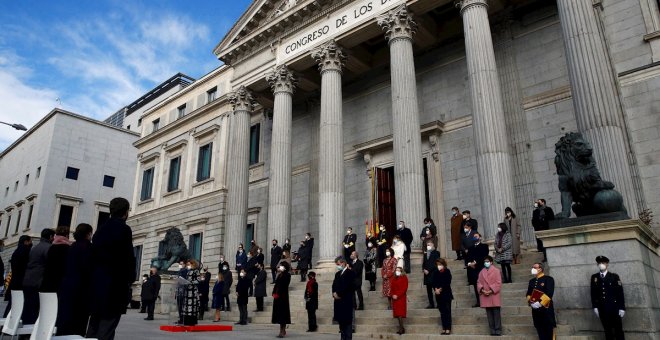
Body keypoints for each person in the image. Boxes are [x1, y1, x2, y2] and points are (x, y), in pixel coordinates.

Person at [87, 197, 136, 340]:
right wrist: (130, 278)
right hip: (114, 285)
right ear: (125, 212)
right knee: (107, 327)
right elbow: (128, 257)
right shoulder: (124, 229)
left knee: (94, 325)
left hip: (97, 284)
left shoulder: (100, 230)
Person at [56, 224, 93, 336]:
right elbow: (89, 269)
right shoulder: (89, 248)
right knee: (79, 324)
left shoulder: (71, 247)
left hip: (67, 287)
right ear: (88, 234)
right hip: (82, 290)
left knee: (65, 320)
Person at [22, 228, 55, 324]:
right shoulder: (48, 248)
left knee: (28, 306)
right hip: (38, 281)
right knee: (35, 308)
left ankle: (24, 331)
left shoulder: (34, 248)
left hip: (28, 280)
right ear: (50, 237)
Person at [590, 256, 625, 340]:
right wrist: (595, 306)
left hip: (614, 308)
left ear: (607, 264)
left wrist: (622, 307)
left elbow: (620, 292)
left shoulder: (614, 276)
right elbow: (593, 292)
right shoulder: (594, 277)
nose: (601, 265)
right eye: (599, 263)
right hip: (602, 309)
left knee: (618, 330)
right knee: (607, 330)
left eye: (603, 263)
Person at [4, 235, 32, 317]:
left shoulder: (16, 251)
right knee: (17, 304)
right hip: (21, 282)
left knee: (12, 303)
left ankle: (6, 320)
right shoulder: (26, 251)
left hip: (15, 280)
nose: (31, 243)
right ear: (26, 242)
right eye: (30, 241)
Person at [527, 262, 556, 340]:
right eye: (532, 267)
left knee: (549, 330)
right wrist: (531, 302)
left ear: (540, 269)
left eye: (535, 267)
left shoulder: (548, 279)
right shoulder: (531, 281)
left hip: (546, 309)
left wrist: (540, 303)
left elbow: (549, 293)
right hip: (536, 310)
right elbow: (528, 293)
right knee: (540, 330)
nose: (533, 269)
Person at [42, 225, 72, 293]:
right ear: (67, 236)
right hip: (61, 283)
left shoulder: (51, 247)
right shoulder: (68, 248)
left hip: (48, 282)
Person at [478, 256, 503, 336]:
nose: (486, 263)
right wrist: (482, 290)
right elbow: (478, 283)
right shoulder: (481, 272)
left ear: (491, 262)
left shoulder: (496, 271)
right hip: (485, 294)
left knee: (496, 313)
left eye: (487, 261)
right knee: (489, 314)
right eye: (485, 261)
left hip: (493, 294)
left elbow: (498, 283)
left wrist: (491, 290)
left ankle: (498, 330)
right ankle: (492, 330)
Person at [332, 256, 355, 340]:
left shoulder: (350, 273)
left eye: (338, 264)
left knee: (347, 325)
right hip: (338, 302)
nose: (337, 266)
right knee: (341, 325)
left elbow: (348, 286)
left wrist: (339, 293)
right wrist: (334, 293)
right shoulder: (337, 274)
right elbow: (334, 285)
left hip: (346, 301)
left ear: (343, 263)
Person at [467, 232, 489, 307]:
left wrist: (475, 262)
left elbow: (484, 256)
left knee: (483, 285)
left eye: (476, 236)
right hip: (473, 269)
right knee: (475, 285)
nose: (475, 238)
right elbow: (467, 258)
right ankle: (478, 301)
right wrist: (470, 264)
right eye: (474, 236)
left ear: (480, 237)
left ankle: (485, 300)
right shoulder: (470, 248)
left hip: (480, 268)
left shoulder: (484, 246)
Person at [432, 258, 453, 335]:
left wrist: (440, 289)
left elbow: (447, 282)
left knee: (447, 312)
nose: (439, 266)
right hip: (438, 295)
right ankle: (444, 328)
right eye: (437, 265)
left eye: (440, 264)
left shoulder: (447, 271)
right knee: (442, 312)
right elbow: (433, 282)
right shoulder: (435, 272)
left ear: (443, 264)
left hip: (446, 294)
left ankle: (448, 328)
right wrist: (435, 289)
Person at [272, 261, 291, 338]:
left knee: (283, 315)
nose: (279, 267)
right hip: (277, 297)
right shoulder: (279, 275)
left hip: (283, 297)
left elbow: (285, 284)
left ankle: (282, 331)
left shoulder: (287, 275)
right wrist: (274, 293)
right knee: (279, 315)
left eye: (281, 266)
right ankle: (281, 329)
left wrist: (278, 293)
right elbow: (276, 285)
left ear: (285, 267)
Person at [182, 259, 201, 325]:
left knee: (192, 306)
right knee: (187, 306)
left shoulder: (196, 271)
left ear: (193, 264)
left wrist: (191, 282)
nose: (188, 266)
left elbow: (198, 280)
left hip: (193, 291)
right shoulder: (188, 271)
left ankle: (192, 321)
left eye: (189, 264)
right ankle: (186, 321)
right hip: (187, 291)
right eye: (187, 265)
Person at [391, 266, 409, 335]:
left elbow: (404, 288)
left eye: (398, 270)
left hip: (401, 298)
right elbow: (391, 288)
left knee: (400, 314)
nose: (397, 271)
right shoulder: (394, 278)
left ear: (401, 271)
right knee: (397, 314)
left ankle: (401, 328)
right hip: (395, 298)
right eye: (396, 270)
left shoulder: (404, 277)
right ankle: (401, 328)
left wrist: (397, 295)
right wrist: (393, 295)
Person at [423, 241, 440, 309]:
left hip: (433, 273)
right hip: (426, 275)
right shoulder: (425, 254)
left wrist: (429, 270)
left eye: (429, 245)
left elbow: (435, 263)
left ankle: (438, 303)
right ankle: (431, 304)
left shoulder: (436, 253)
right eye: (427, 245)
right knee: (428, 290)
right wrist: (423, 269)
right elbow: (424, 263)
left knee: (435, 289)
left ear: (433, 246)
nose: (428, 246)